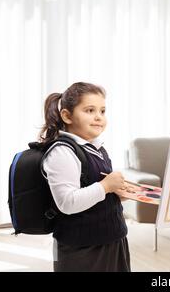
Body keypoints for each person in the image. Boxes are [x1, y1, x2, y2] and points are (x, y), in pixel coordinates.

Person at [40, 82, 131, 272]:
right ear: (67, 115)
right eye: (90, 110)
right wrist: (106, 186)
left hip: (113, 239)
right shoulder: (62, 152)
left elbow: (94, 190)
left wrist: (115, 193)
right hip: (82, 249)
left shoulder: (98, 148)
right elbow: (67, 203)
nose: (98, 117)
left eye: (103, 111)